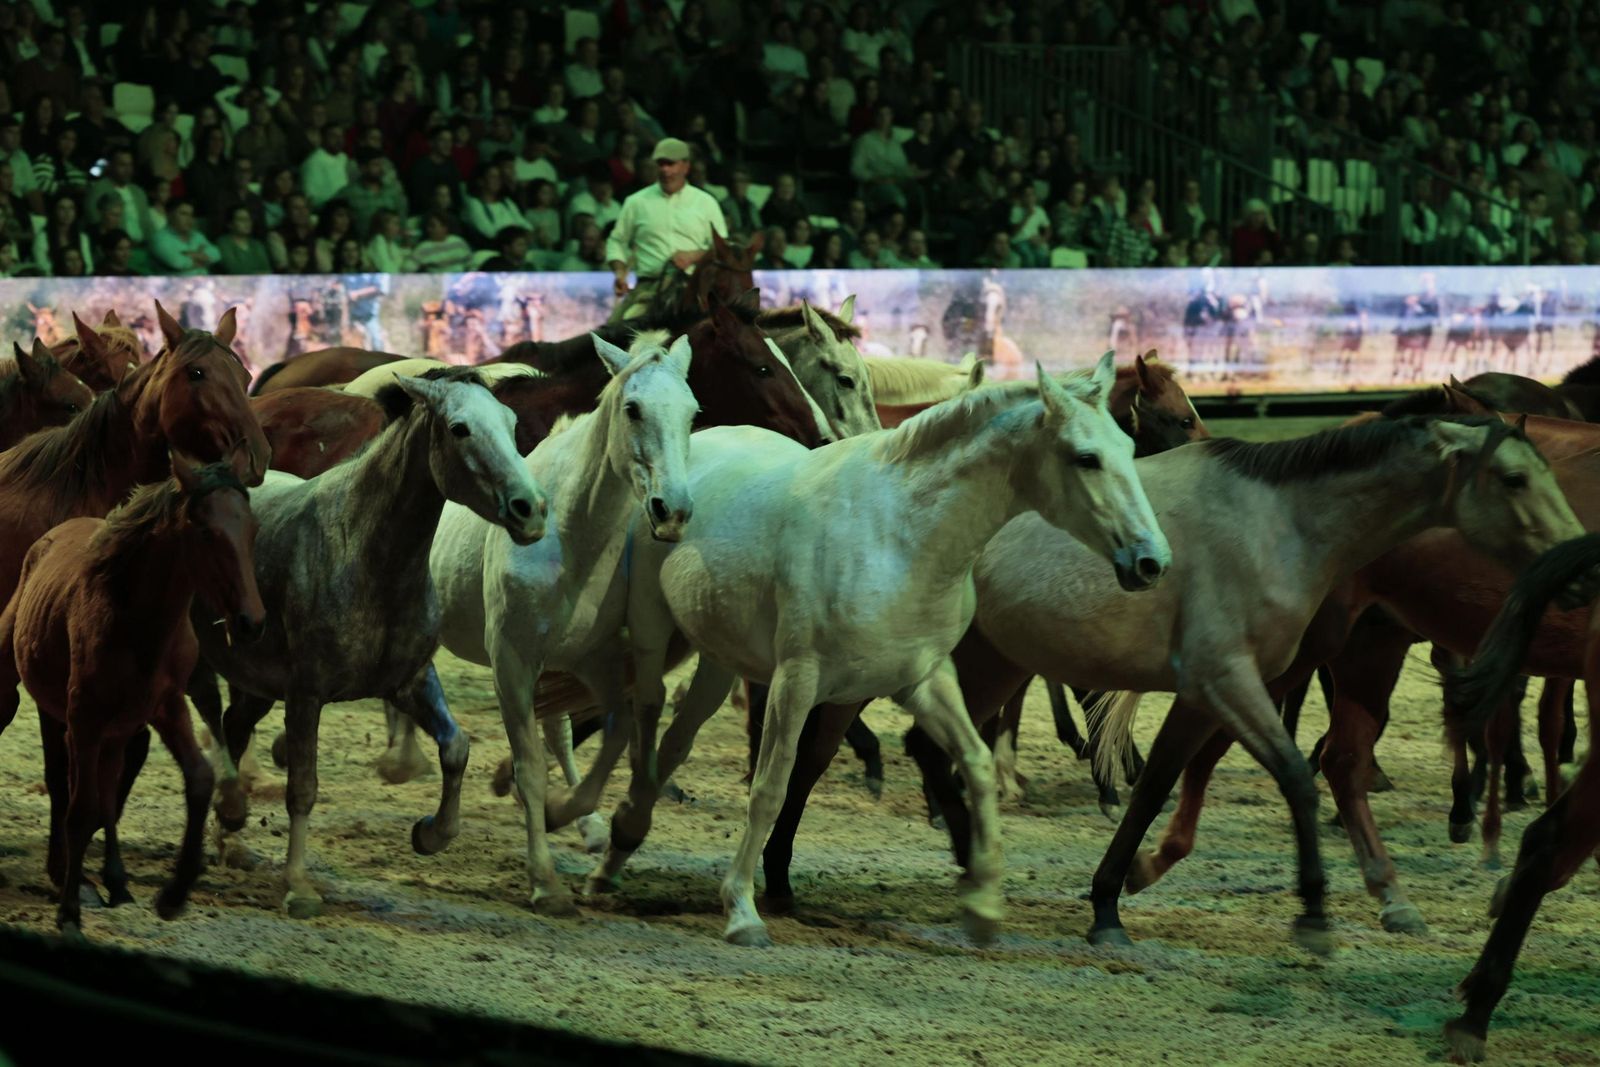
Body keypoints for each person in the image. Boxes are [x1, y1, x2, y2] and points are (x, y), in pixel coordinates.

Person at [604, 136, 728, 324]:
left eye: (670, 164)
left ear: (686, 166)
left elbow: (723, 247)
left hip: (695, 287)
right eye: (660, 164)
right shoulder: (636, 202)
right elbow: (617, 241)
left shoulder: (706, 203)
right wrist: (620, 271)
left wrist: (694, 255)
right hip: (650, 287)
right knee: (613, 333)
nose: (664, 170)